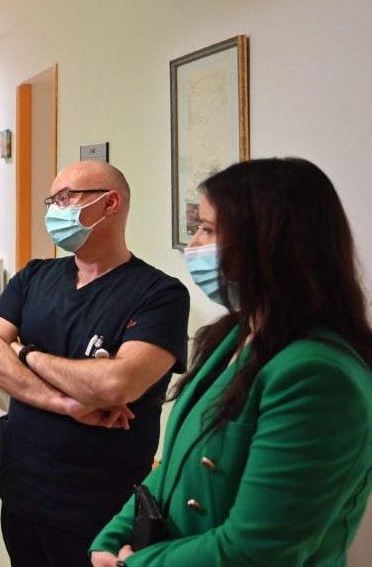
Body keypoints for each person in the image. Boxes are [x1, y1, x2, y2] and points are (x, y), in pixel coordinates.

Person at [91, 158, 372, 566]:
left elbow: (257, 550)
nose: (192, 247)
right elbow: (176, 464)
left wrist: (134, 564)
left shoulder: (317, 375)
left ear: (268, 243)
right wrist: (115, 534)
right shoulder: (236, 334)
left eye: (207, 230)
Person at [0, 160, 190, 566]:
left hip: (101, 504)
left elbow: (115, 384)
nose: (55, 210)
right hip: (22, 489)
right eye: (53, 200)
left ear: (110, 203)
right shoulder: (34, 276)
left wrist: (24, 352)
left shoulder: (160, 294)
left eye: (66, 198)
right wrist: (67, 403)